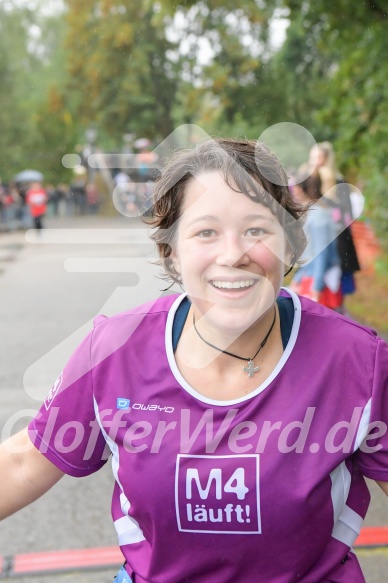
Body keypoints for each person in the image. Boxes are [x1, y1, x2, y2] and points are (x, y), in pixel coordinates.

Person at [0, 138, 388, 583]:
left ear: (290, 243)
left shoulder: (358, 360)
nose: (233, 254)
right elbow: (22, 463)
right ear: (172, 250)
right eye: (206, 231)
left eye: (257, 230)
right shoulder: (114, 349)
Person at [309, 142, 360, 303]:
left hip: (337, 237)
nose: (318, 161)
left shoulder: (338, 182)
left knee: (335, 283)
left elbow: (347, 211)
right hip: (317, 235)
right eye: (315, 157)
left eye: (321, 157)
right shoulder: (311, 180)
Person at [290, 171, 343, 310]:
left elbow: (321, 253)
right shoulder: (313, 213)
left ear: (302, 190)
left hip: (319, 280)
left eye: (295, 189)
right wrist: (298, 278)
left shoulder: (318, 216)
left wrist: (316, 287)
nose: (293, 193)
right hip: (312, 276)